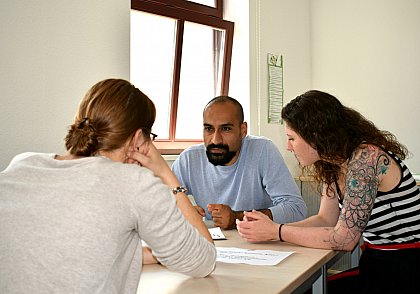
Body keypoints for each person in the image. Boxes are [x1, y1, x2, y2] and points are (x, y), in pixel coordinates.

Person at [0, 78, 216, 294]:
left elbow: (60, 252)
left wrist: (153, 255)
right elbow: (204, 261)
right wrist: (165, 173)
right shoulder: (134, 183)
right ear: (139, 137)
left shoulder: (23, 164)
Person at [236, 90, 420, 293]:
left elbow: (345, 239)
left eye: (292, 138)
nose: (288, 147)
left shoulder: (366, 160)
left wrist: (277, 232)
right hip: (380, 265)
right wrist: (271, 230)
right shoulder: (335, 164)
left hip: (407, 268)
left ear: (315, 136)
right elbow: (325, 220)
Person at [171, 95, 307, 230]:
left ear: (243, 130)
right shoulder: (189, 159)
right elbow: (159, 205)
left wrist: (238, 217)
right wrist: (181, 212)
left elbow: (296, 209)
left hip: (262, 245)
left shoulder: (262, 150)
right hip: (216, 246)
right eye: (209, 129)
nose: (215, 140)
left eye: (226, 129)